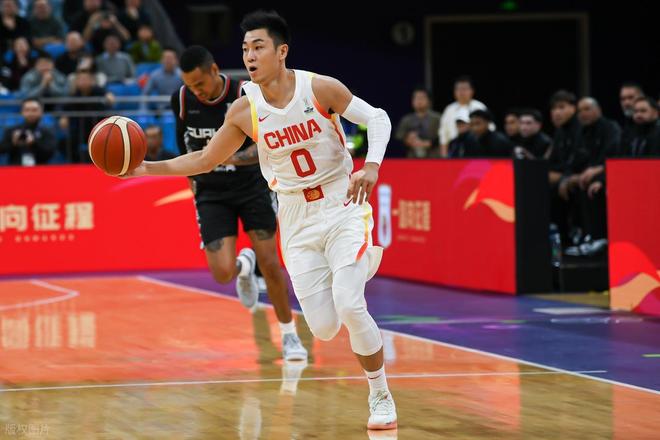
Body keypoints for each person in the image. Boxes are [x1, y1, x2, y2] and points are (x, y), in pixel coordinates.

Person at [124, 11, 397, 430]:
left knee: (349, 302)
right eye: (245, 49)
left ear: (281, 51)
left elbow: (377, 118)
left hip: (340, 202)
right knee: (324, 328)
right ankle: (351, 269)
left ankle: (379, 394)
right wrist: (143, 169)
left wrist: (372, 166)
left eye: (258, 47)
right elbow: (204, 159)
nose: (249, 56)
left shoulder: (319, 87)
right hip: (295, 215)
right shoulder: (244, 110)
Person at [169, 45, 307, 363]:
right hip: (211, 192)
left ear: (214, 71)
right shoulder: (182, 99)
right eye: (190, 85)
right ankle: (245, 266)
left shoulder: (247, 94)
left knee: (270, 264)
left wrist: (226, 156)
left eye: (199, 83)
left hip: (251, 186)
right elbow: (183, 145)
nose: (196, 90)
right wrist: (193, 182)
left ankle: (289, 335)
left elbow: (267, 144)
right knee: (222, 273)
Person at [438, 75, 487, 157]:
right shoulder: (449, 110)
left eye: (464, 89)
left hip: (477, 152)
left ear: (472, 91)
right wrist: (444, 157)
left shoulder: (480, 107)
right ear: (454, 91)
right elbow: (443, 135)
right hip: (454, 152)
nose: (461, 92)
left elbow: (490, 131)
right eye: (458, 89)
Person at [0, 98, 56, 165]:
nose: (30, 113)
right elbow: (2, 150)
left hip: (39, 168)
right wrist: (13, 143)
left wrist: (33, 143)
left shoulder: (47, 131)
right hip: (16, 168)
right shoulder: (12, 130)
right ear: (22, 112)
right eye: (27, 110)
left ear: (41, 112)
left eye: (34, 110)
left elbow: (50, 153)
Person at [394, 87, 440, 158]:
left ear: (429, 101)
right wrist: (407, 140)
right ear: (412, 101)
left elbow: (444, 137)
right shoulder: (406, 120)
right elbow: (398, 138)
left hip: (434, 158)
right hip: (411, 158)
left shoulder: (437, 118)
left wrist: (429, 143)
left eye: (422, 98)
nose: (419, 101)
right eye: (416, 98)